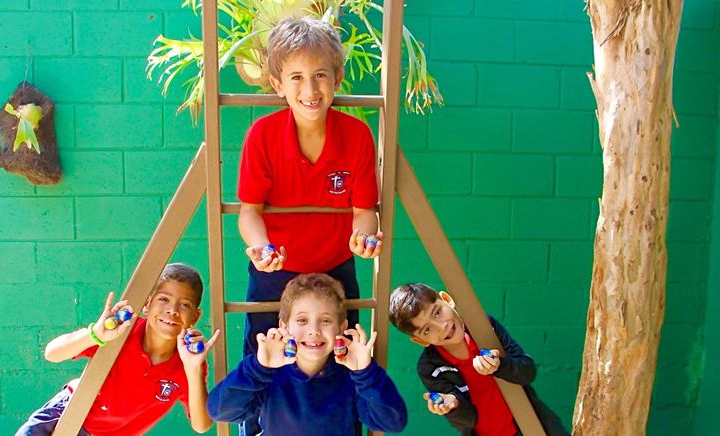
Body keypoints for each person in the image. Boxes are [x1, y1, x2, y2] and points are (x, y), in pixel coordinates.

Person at [237, 16, 382, 359]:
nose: (310, 90)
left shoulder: (358, 135)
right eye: (297, 77)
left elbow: (364, 212)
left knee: (342, 361)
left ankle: (345, 414)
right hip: (276, 271)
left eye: (320, 75)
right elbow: (249, 212)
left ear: (337, 78)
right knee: (265, 359)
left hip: (335, 269)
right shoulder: (262, 135)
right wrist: (262, 248)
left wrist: (364, 239)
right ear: (277, 84)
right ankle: (254, 416)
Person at [15, 263, 220, 436]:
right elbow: (52, 353)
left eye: (184, 304)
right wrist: (94, 334)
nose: (172, 310)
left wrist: (193, 369)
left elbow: (201, 426)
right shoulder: (122, 331)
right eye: (163, 299)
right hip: (67, 413)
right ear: (147, 304)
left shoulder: (189, 360)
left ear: (195, 317)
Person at [206, 273, 407, 436]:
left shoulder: (353, 376)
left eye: (325, 321)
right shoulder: (268, 374)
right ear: (284, 326)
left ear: (341, 328)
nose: (314, 330)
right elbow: (220, 411)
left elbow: (393, 423)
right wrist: (258, 368)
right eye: (302, 320)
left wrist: (366, 372)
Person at [388, 283, 570, 436]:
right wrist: (453, 405)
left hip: (534, 427)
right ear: (420, 340)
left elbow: (527, 372)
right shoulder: (430, 367)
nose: (441, 327)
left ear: (448, 300)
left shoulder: (484, 327)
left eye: (437, 312)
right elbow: (468, 420)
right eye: (427, 330)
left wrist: (500, 366)